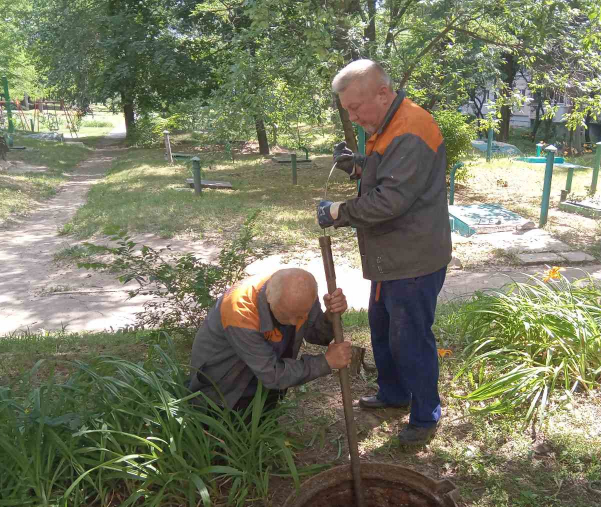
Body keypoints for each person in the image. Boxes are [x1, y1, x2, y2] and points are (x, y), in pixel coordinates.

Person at [316, 59, 451, 445]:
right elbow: (387, 172)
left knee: (410, 337)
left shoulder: (410, 129)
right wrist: (357, 167)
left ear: (382, 92)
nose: (354, 117)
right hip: (389, 257)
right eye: (347, 111)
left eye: (357, 107)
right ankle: (394, 394)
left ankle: (425, 415)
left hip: (413, 259)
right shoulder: (388, 124)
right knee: (383, 328)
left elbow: (391, 200)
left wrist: (338, 211)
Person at [188, 268, 352, 411]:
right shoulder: (239, 312)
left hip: (259, 377)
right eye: (286, 315)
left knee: (262, 418)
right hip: (222, 389)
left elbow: (316, 335)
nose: (295, 322)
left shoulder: (300, 295)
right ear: (269, 299)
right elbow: (272, 375)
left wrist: (330, 316)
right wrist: (326, 362)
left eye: (301, 315)